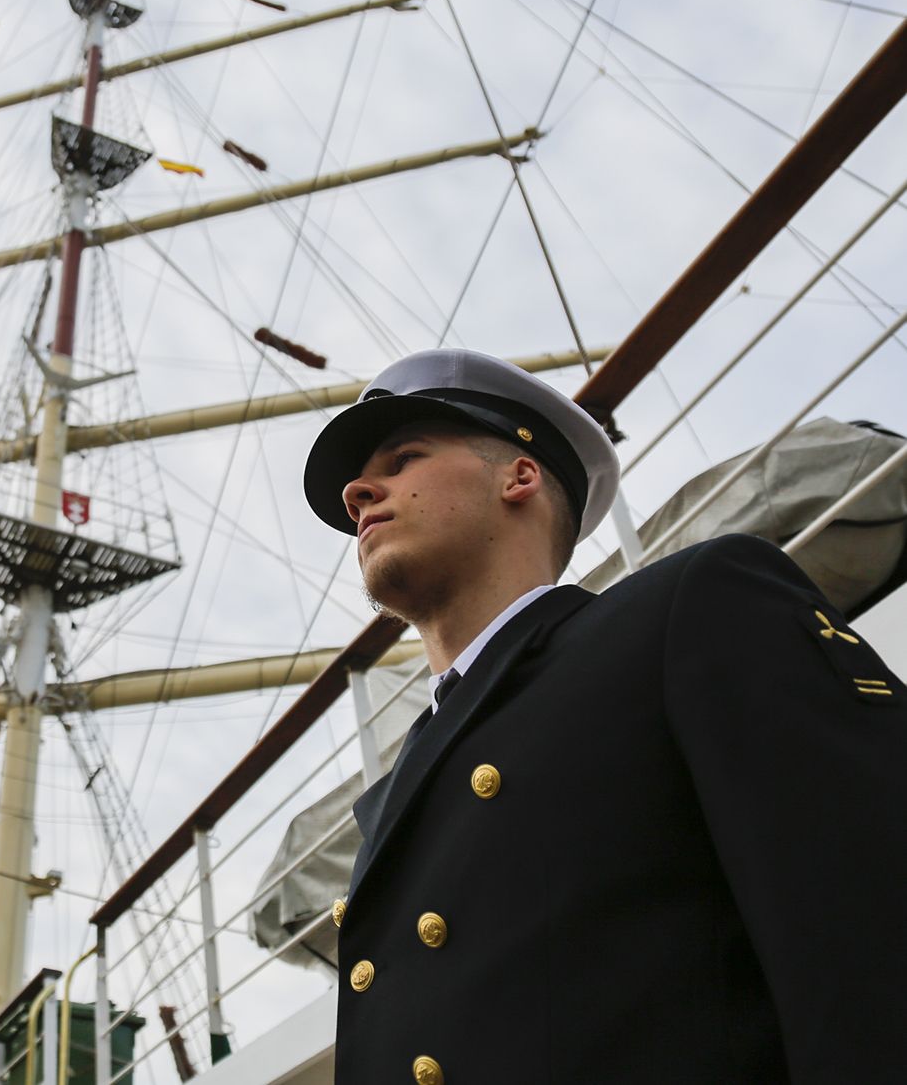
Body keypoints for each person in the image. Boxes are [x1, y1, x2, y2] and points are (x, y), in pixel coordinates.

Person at [301, 348, 907, 1085]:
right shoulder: (394, 799)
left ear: (518, 477)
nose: (359, 492)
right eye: (365, 482)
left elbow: (870, 935)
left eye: (405, 458)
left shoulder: (690, 610)